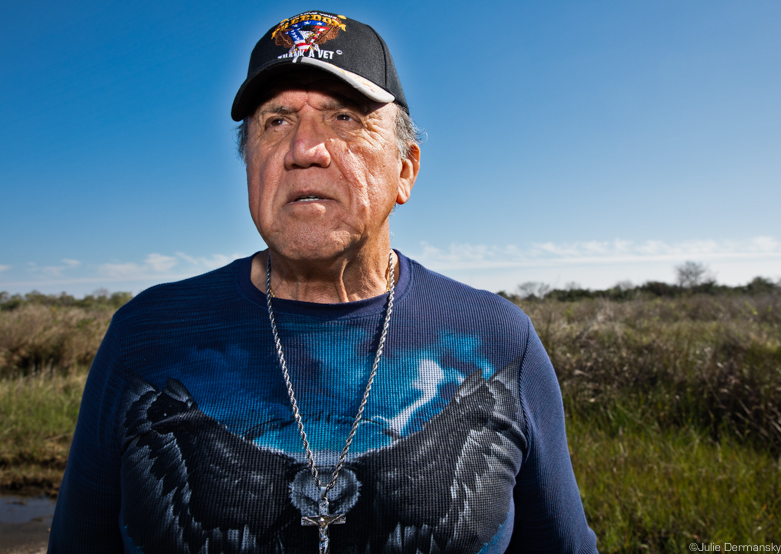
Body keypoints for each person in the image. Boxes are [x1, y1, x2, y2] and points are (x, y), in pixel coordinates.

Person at [49, 10, 597, 553]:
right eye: (276, 122)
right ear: (248, 166)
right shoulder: (146, 335)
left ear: (405, 170)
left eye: (345, 119)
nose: (304, 150)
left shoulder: (499, 340)